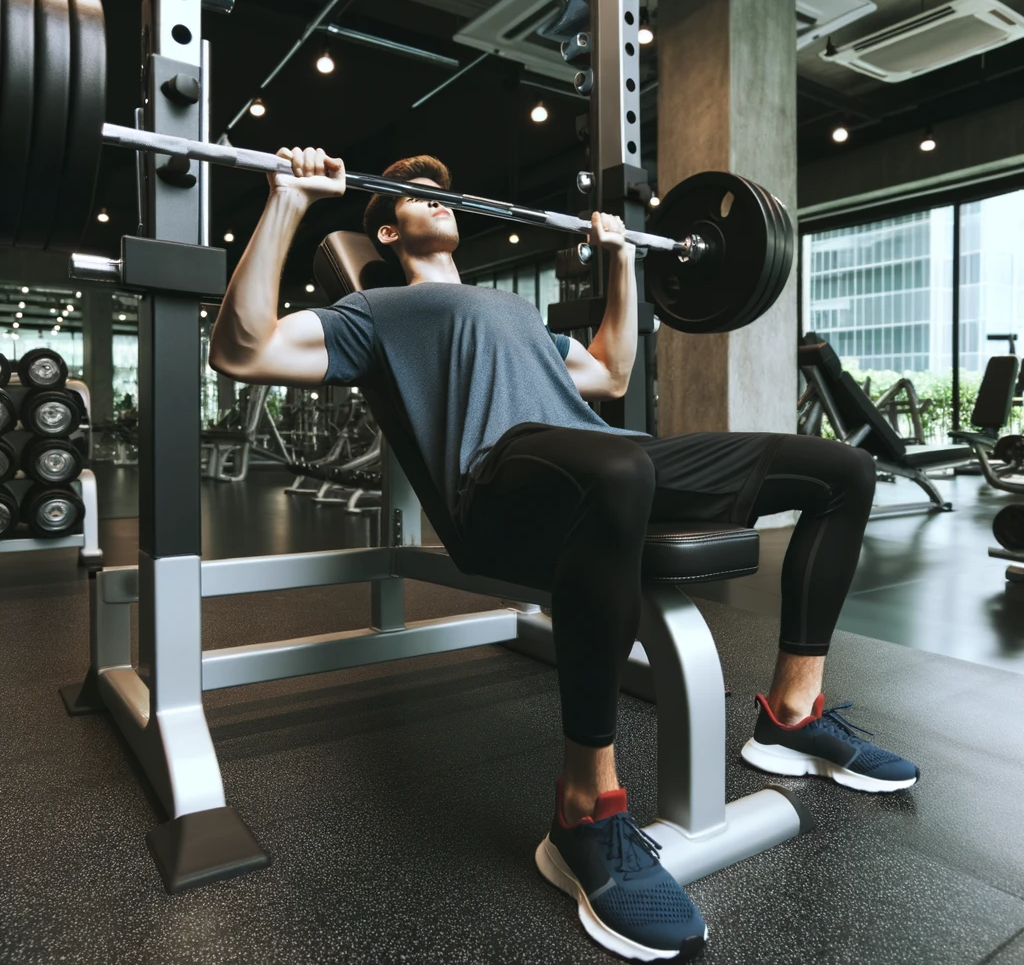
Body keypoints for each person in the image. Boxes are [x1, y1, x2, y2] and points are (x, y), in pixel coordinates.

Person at [209, 147, 920, 962]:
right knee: (616, 471)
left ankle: (791, 719)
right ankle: (586, 811)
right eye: (415, 195)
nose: (439, 201)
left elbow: (611, 374)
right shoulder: (377, 310)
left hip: (606, 455)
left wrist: (622, 261)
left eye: (445, 193)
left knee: (842, 470)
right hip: (501, 483)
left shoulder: (514, 311)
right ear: (384, 224)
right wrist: (289, 202)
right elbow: (243, 349)